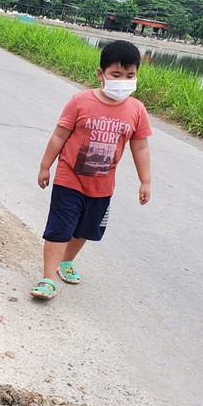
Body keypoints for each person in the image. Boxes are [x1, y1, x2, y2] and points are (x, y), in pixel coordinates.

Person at [30, 40, 152, 300]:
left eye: (130, 76)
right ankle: (47, 279)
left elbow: (140, 148)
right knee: (60, 227)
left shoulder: (137, 110)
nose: (123, 81)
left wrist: (145, 181)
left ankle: (67, 261)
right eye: (116, 75)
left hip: (102, 186)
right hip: (69, 179)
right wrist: (45, 166)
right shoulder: (80, 101)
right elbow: (59, 136)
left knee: (86, 229)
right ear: (101, 74)